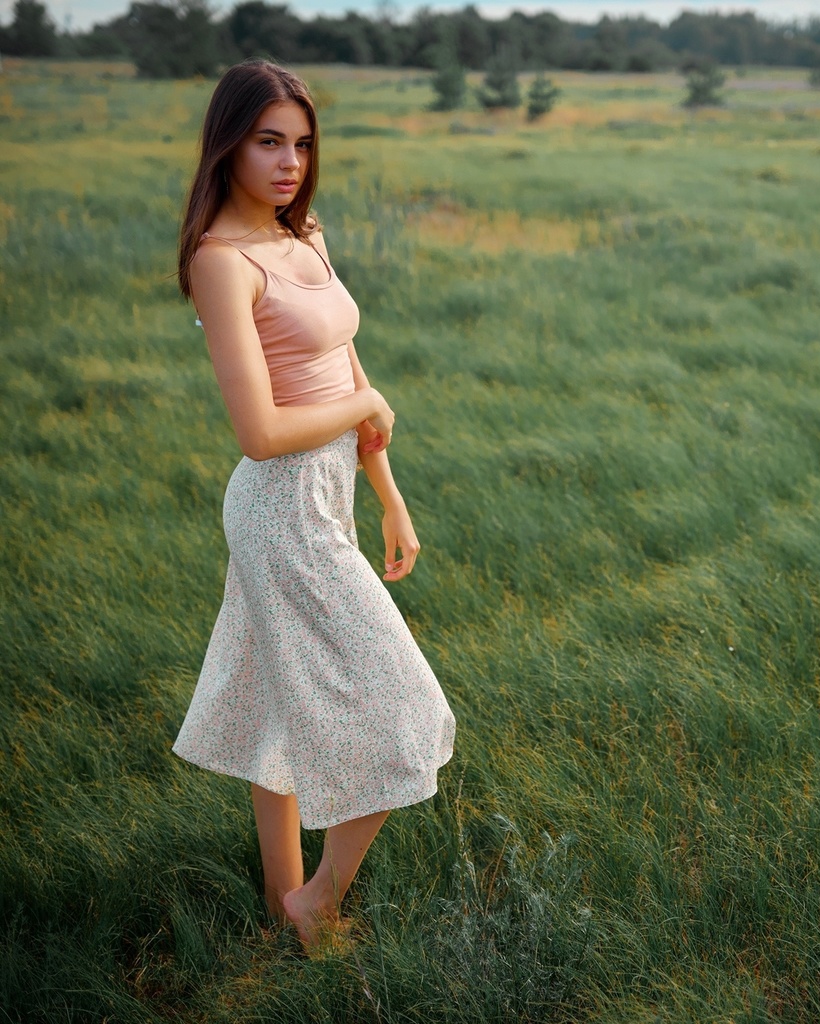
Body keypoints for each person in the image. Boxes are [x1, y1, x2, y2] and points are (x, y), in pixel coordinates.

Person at [171, 59, 456, 951]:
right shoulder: (222, 264)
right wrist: (367, 411)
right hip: (279, 506)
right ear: (228, 145)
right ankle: (315, 902)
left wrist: (390, 496)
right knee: (409, 709)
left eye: (301, 143)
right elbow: (259, 431)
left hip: (333, 491)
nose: (290, 161)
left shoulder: (307, 237)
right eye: (268, 142)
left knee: (276, 706)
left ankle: (282, 907)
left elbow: (346, 369)